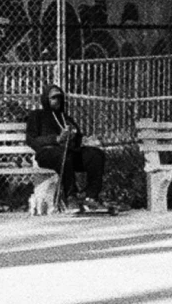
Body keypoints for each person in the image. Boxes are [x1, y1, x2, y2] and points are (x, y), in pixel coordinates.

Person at [25, 84, 111, 213]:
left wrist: (79, 138)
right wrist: (56, 139)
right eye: (54, 97)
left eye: (60, 97)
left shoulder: (65, 118)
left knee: (95, 155)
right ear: (46, 99)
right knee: (64, 155)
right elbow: (31, 140)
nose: (57, 100)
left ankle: (90, 197)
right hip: (47, 153)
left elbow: (78, 139)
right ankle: (71, 196)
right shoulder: (37, 115)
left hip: (69, 152)